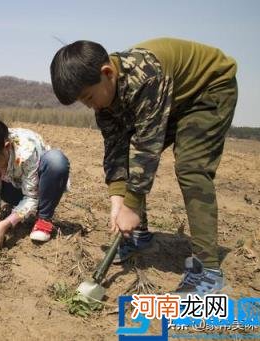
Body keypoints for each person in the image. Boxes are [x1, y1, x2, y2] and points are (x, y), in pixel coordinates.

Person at [50, 37, 237, 295]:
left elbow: (146, 147)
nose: (90, 105)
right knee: (129, 160)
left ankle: (208, 270)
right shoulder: (105, 97)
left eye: (89, 97)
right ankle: (138, 235)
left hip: (207, 89)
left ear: (107, 73)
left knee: (191, 168)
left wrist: (132, 204)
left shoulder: (146, 77)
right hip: (171, 96)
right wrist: (118, 202)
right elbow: (116, 151)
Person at [0, 110, 70, 249]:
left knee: (56, 160)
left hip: (37, 191)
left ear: (7, 147)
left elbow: (31, 196)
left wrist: (5, 225)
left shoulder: (27, 150)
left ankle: (44, 218)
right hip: (10, 186)